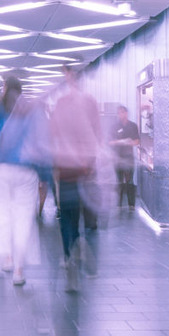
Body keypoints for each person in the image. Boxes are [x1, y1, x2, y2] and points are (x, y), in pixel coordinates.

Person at [0, 76, 49, 286]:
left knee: (2, 215)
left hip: (0, 169)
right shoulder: (34, 110)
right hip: (27, 170)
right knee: (24, 218)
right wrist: (46, 175)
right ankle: (19, 270)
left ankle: (6, 257)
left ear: (4, 87)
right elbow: (44, 142)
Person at [50, 66, 103, 293]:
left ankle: (70, 255)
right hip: (86, 169)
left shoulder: (61, 104)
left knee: (68, 218)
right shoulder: (90, 103)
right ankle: (82, 252)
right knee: (87, 218)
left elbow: (52, 134)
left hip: (67, 169)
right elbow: (97, 135)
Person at [109, 105, 140, 210]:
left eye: (123, 112)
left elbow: (137, 141)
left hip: (129, 158)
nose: (121, 114)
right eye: (119, 113)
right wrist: (120, 142)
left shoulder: (133, 126)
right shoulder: (114, 126)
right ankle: (119, 204)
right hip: (117, 158)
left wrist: (130, 142)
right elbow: (109, 142)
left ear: (126, 113)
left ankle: (131, 205)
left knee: (130, 181)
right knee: (119, 181)